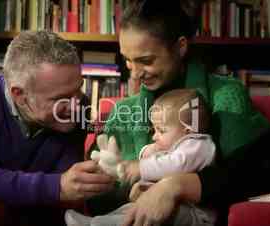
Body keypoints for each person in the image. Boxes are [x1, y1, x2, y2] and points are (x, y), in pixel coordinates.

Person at [87, 0, 270, 225]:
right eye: (128, 61)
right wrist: (131, 193)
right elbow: (94, 198)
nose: (136, 74)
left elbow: (254, 176)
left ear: (180, 46)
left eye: (146, 61)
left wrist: (175, 187)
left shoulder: (226, 96)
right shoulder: (123, 112)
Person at [0, 30, 115, 225]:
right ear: (19, 95)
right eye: (61, 98)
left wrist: (96, 181)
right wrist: (56, 187)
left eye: (78, 89)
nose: (76, 105)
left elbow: (61, 196)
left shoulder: (77, 107)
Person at [65, 89, 217, 226]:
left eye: (161, 130)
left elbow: (176, 164)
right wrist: (147, 152)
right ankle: (95, 222)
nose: (155, 136)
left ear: (187, 130)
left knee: (141, 214)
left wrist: (140, 168)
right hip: (176, 206)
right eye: (154, 129)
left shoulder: (198, 144)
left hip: (195, 215)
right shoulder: (177, 147)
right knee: (131, 209)